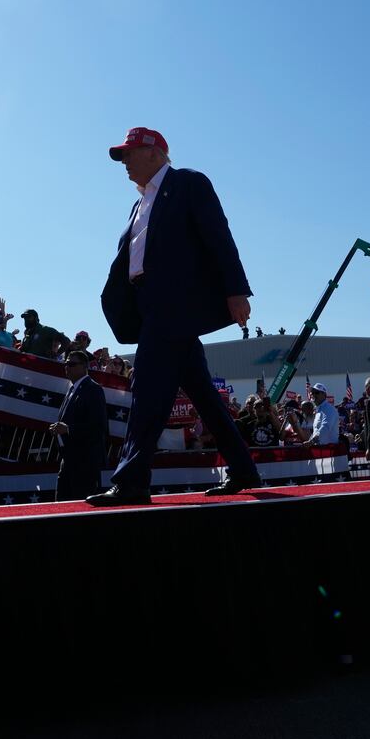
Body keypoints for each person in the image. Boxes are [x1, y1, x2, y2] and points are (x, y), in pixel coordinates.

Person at [88, 127, 260, 506]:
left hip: (174, 303)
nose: (125, 162)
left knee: (147, 386)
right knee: (202, 392)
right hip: (150, 304)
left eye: (129, 154)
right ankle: (243, 469)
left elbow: (218, 235)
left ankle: (132, 479)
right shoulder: (139, 204)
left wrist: (236, 290)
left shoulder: (188, 184)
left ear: (154, 153)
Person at [48, 348, 108, 501]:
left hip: (84, 462)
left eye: (72, 364)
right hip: (68, 459)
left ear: (84, 367)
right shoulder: (72, 390)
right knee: (62, 506)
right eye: (66, 363)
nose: (67, 367)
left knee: (79, 507)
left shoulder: (93, 389)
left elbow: (98, 426)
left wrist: (68, 429)